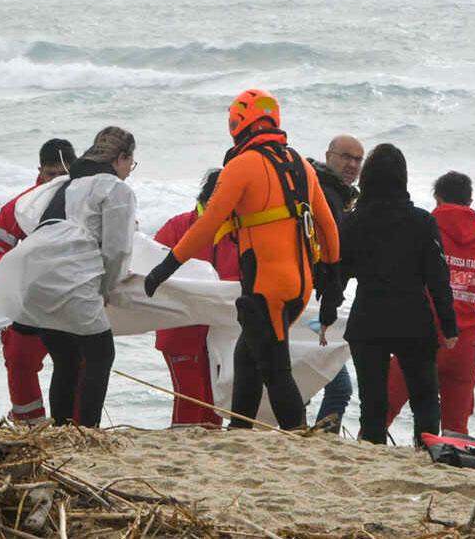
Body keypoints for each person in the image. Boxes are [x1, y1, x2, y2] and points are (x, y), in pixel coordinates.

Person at [145, 89, 341, 430]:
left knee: (276, 369)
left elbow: (207, 225)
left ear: (238, 124)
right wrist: (332, 285)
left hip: (268, 287)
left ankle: (298, 435)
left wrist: (165, 267)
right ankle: (240, 430)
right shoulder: (301, 165)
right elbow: (328, 228)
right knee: (247, 356)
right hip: (300, 285)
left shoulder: (242, 165)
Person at [4, 127, 138, 427]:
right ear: (121, 157)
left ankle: (62, 429)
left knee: (66, 359)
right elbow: (117, 250)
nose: (130, 170)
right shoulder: (116, 189)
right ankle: (87, 431)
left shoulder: (68, 183)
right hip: (70, 279)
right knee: (101, 355)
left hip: (34, 276)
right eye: (131, 162)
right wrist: (106, 288)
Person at [339, 144, 457, 446]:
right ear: (402, 178)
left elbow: (338, 270)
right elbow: (438, 278)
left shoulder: (353, 220)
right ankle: (427, 453)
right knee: (426, 400)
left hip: (368, 318)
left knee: (373, 404)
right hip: (412, 319)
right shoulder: (421, 221)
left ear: (367, 177)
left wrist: (327, 311)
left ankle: (373, 454)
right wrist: (449, 326)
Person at [386, 172, 475, 435]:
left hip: (421, 336)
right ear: (470, 201)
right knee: (456, 428)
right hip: (465, 343)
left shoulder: (423, 232)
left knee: (383, 409)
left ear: (438, 198)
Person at [0, 138, 77, 424]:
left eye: (63, 174)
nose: (57, 180)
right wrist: (13, 273)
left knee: (80, 364)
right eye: (51, 174)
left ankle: (75, 424)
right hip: (31, 299)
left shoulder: (85, 201)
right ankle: (29, 421)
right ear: (40, 171)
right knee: (20, 355)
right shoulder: (22, 205)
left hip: (73, 297)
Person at [153, 169, 238, 427]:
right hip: (181, 332)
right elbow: (149, 270)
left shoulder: (239, 233)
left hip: (221, 335)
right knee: (191, 398)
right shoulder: (179, 227)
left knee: (216, 404)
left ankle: (206, 457)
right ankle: (180, 449)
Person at [308, 134, 363, 432]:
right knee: (339, 387)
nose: (352, 164)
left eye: (357, 159)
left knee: (317, 379)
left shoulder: (339, 195)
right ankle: (313, 439)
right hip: (310, 303)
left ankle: (305, 437)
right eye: (346, 157)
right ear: (329, 156)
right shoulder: (324, 194)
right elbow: (332, 256)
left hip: (316, 302)